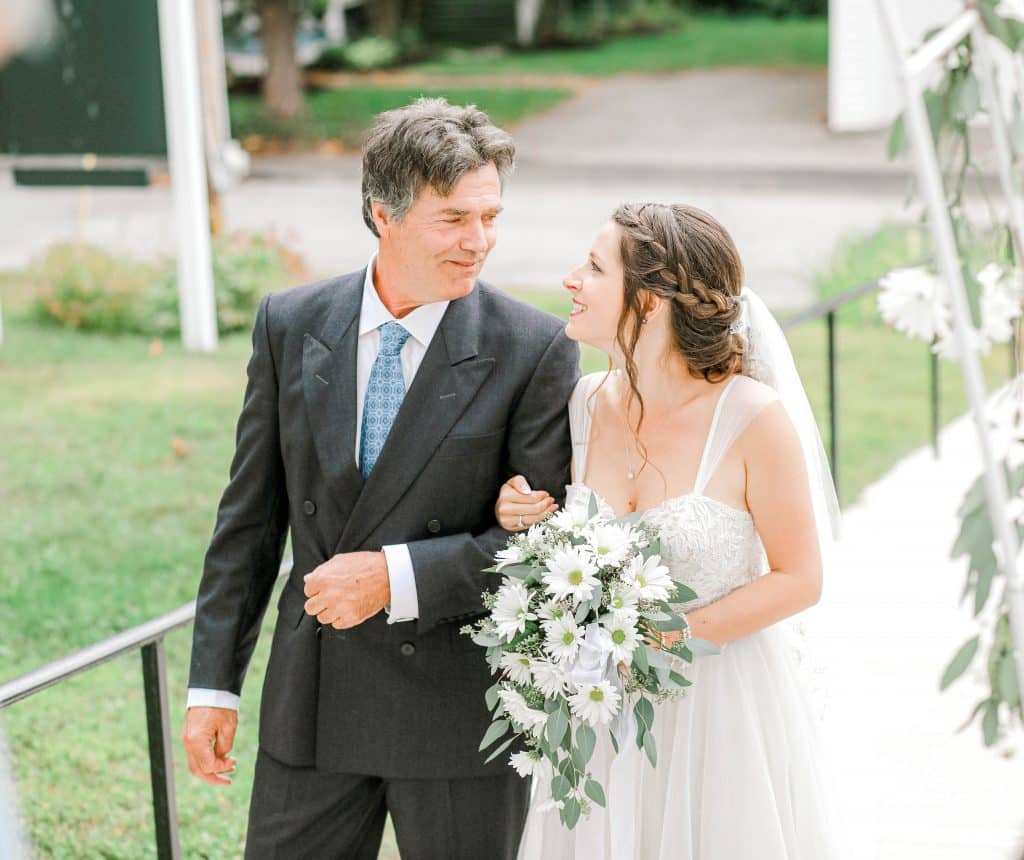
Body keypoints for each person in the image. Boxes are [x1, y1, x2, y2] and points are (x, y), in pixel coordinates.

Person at [181, 97, 580, 859]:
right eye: (454, 219)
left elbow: (545, 553)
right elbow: (249, 522)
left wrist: (394, 577)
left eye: (491, 217)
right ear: (383, 214)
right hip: (316, 702)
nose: (479, 242)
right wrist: (213, 687)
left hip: (463, 715)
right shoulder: (291, 324)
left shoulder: (534, 348)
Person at [496, 202, 847, 859]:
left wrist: (672, 635)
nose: (571, 279)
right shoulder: (585, 403)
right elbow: (567, 534)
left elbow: (801, 579)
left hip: (720, 712)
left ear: (651, 302)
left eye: (595, 268)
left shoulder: (751, 417)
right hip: (599, 712)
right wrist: (517, 508)